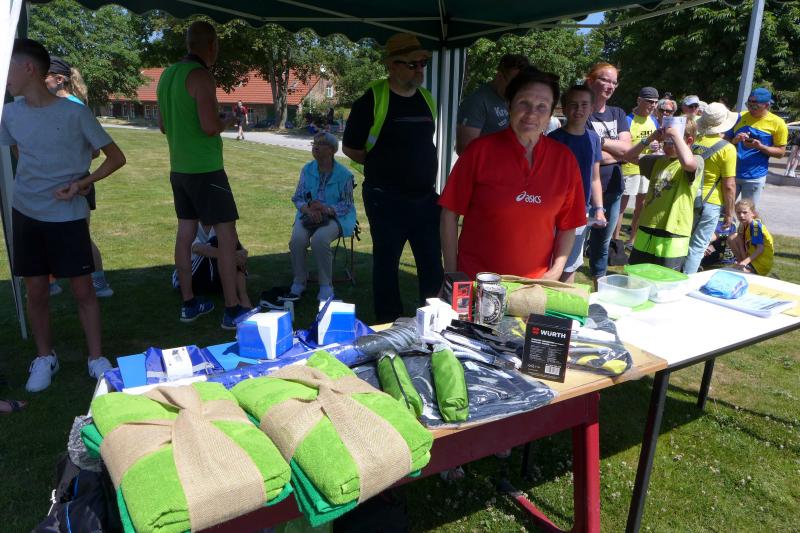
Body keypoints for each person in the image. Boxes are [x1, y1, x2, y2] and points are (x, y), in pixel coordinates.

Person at [0, 39, 126, 392]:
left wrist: (83, 182)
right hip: (26, 213)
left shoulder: (75, 113)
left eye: (8, 69)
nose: (4, 77)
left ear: (28, 69)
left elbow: (116, 157)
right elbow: (19, 151)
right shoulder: (9, 113)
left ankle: (96, 358)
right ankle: (45, 357)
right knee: (36, 289)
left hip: (67, 216)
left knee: (83, 289)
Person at [439, 67, 586, 280]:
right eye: (524, 103)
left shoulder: (565, 160)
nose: (532, 114)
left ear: (551, 114)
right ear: (509, 105)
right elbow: (449, 214)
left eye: (542, 106)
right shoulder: (479, 151)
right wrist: (452, 273)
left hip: (533, 285)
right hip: (476, 280)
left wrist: (556, 270)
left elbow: (568, 224)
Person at [343, 33, 443, 323]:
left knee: (431, 263)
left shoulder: (426, 99)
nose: (420, 69)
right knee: (386, 264)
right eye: (412, 64)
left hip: (425, 198)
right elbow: (351, 147)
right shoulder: (372, 100)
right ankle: (388, 323)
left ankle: (434, 321)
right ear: (392, 65)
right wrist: (384, 165)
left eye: (423, 63)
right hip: (385, 199)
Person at [157, 21, 248, 329]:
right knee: (227, 237)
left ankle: (189, 303)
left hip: (179, 170)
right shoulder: (200, 75)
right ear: (212, 45)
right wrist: (226, 120)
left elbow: (163, 126)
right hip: (206, 169)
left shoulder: (167, 75)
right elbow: (209, 126)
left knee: (184, 235)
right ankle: (232, 309)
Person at [45, 56, 114, 298]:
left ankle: (99, 283)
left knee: (81, 236)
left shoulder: (74, 107)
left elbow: (96, 151)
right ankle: (50, 281)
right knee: (50, 234)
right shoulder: (50, 106)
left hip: (77, 182)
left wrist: (78, 173)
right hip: (60, 181)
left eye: (44, 76)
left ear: (59, 79)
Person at [624, 120, 704, 270]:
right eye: (665, 142)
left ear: (689, 141)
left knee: (664, 278)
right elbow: (629, 156)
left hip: (673, 231)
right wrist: (650, 138)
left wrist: (674, 134)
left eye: (671, 143)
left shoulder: (697, 160)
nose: (666, 147)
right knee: (638, 273)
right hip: (647, 225)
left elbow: (688, 163)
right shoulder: (659, 161)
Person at [548, 84, 606, 283]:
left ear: (591, 108)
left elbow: (595, 177)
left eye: (584, 105)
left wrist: (599, 208)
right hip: (554, 212)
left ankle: (566, 300)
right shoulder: (553, 139)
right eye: (573, 104)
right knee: (550, 262)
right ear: (564, 108)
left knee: (570, 264)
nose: (579, 109)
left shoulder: (594, 138)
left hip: (581, 212)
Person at [288, 132, 356, 301]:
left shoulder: (345, 175)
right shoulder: (307, 169)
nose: (316, 147)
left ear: (332, 150)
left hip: (336, 216)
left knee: (319, 239)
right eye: (314, 144)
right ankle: (299, 281)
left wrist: (325, 209)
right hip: (308, 214)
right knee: (297, 240)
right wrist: (309, 210)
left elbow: (347, 204)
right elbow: (298, 197)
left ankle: (326, 286)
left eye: (321, 144)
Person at [585, 62, 632, 280]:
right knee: (575, 240)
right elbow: (587, 153)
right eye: (605, 80)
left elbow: (627, 149)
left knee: (602, 242)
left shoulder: (618, 113)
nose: (610, 86)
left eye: (614, 82)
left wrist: (599, 142)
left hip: (613, 188)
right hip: (585, 190)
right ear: (590, 81)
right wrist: (618, 152)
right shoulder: (583, 112)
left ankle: (599, 283)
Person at [683, 102, 738, 274]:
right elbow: (729, 185)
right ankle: (687, 281)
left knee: (682, 241)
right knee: (698, 246)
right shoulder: (727, 149)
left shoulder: (693, 141)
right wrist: (729, 213)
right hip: (710, 202)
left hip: (687, 197)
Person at [171, 222, 253, 327]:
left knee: (231, 241)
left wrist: (241, 253)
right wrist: (231, 256)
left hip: (214, 277)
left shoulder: (221, 222)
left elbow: (238, 250)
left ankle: (244, 298)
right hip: (193, 280)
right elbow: (197, 248)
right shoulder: (191, 222)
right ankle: (233, 307)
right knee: (218, 242)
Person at [455, 54, 529, 155]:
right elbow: (465, 150)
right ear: (499, 76)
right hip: (489, 164)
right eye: (513, 84)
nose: (517, 90)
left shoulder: (515, 99)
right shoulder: (477, 101)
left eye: (522, 85)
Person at [726, 87, 788, 207]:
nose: (751, 109)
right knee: (723, 211)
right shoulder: (739, 117)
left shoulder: (778, 123)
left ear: (767, 105)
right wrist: (734, 140)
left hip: (754, 176)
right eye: (748, 105)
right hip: (731, 172)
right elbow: (725, 140)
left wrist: (760, 147)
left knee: (747, 214)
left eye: (755, 106)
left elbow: (781, 153)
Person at [616, 86, 660, 247]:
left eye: (655, 102)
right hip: (629, 168)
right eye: (649, 101)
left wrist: (656, 145)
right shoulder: (628, 120)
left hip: (646, 169)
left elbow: (658, 142)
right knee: (621, 208)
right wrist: (645, 144)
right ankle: (615, 242)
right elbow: (623, 147)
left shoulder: (654, 120)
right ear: (639, 100)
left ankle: (632, 240)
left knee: (641, 207)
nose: (653, 105)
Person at [729, 199, 774, 276]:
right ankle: (742, 264)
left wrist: (744, 262)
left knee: (734, 273)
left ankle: (745, 266)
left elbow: (760, 249)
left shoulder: (755, 226)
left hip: (760, 264)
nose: (741, 215)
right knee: (733, 237)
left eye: (745, 212)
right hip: (753, 260)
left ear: (753, 213)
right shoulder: (744, 225)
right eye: (738, 213)